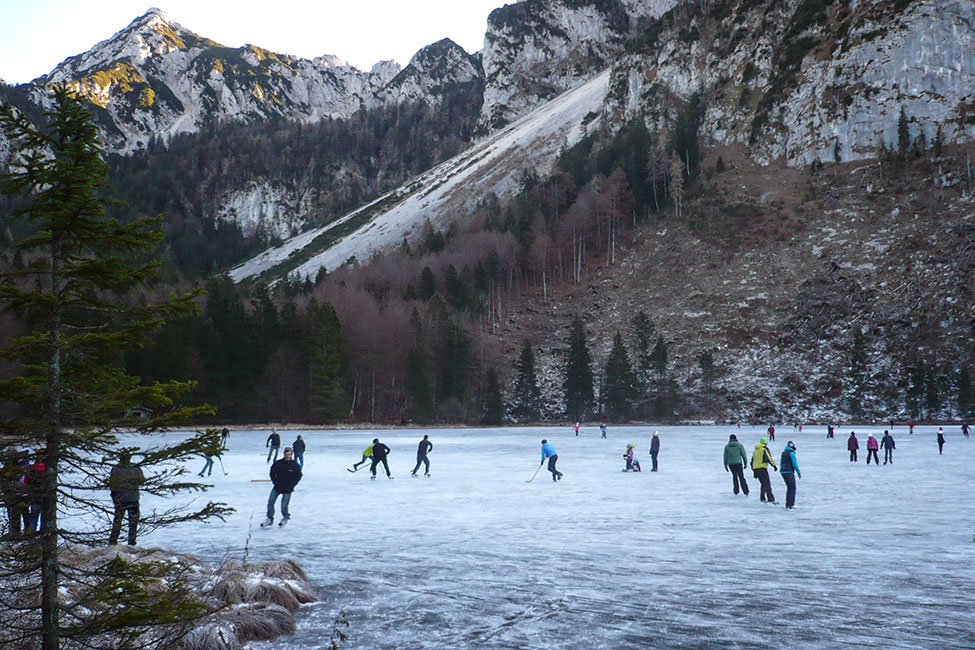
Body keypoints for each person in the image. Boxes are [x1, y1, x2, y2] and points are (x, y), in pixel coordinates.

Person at [109, 451, 145, 545]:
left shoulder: (116, 469)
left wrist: (114, 497)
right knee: (133, 522)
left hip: (120, 499)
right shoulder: (136, 468)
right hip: (133, 499)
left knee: (117, 520)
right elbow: (142, 481)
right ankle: (131, 542)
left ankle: (113, 542)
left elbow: (112, 484)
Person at [262, 447, 302, 528]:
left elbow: (299, 476)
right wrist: (275, 481)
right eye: (286, 454)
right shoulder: (278, 463)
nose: (287, 456)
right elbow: (272, 472)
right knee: (270, 502)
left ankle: (285, 517)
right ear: (284, 454)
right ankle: (270, 518)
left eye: (289, 455)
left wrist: (293, 484)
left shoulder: (295, 465)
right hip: (277, 487)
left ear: (291, 455)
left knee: (284, 505)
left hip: (288, 489)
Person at [2, 449, 30, 539]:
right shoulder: (23, 466)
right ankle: (21, 532)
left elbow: (5, 480)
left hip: (14, 494)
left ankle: (17, 533)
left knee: (15, 514)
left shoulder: (14, 467)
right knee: (20, 513)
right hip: (18, 493)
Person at [750, 437, 778, 503]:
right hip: (762, 468)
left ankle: (762, 498)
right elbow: (769, 458)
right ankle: (770, 499)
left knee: (763, 483)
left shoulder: (755, 451)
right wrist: (774, 466)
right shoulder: (764, 449)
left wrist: (754, 470)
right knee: (767, 483)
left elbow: (752, 461)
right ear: (765, 443)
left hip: (756, 469)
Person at [25, 456, 46, 534]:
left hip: (33, 494)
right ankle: (43, 533)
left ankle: (31, 533)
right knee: (44, 517)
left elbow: (26, 482)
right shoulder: (46, 468)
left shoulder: (31, 468)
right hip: (44, 495)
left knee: (34, 515)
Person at [780, 441, 800, 509]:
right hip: (789, 471)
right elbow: (794, 463)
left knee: (789, 488)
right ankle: (791, 504)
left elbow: (781, 463)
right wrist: (798, 472)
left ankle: (788, 504)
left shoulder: (783, 453)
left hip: (783, 472)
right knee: (792, 488)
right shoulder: (791, 453)